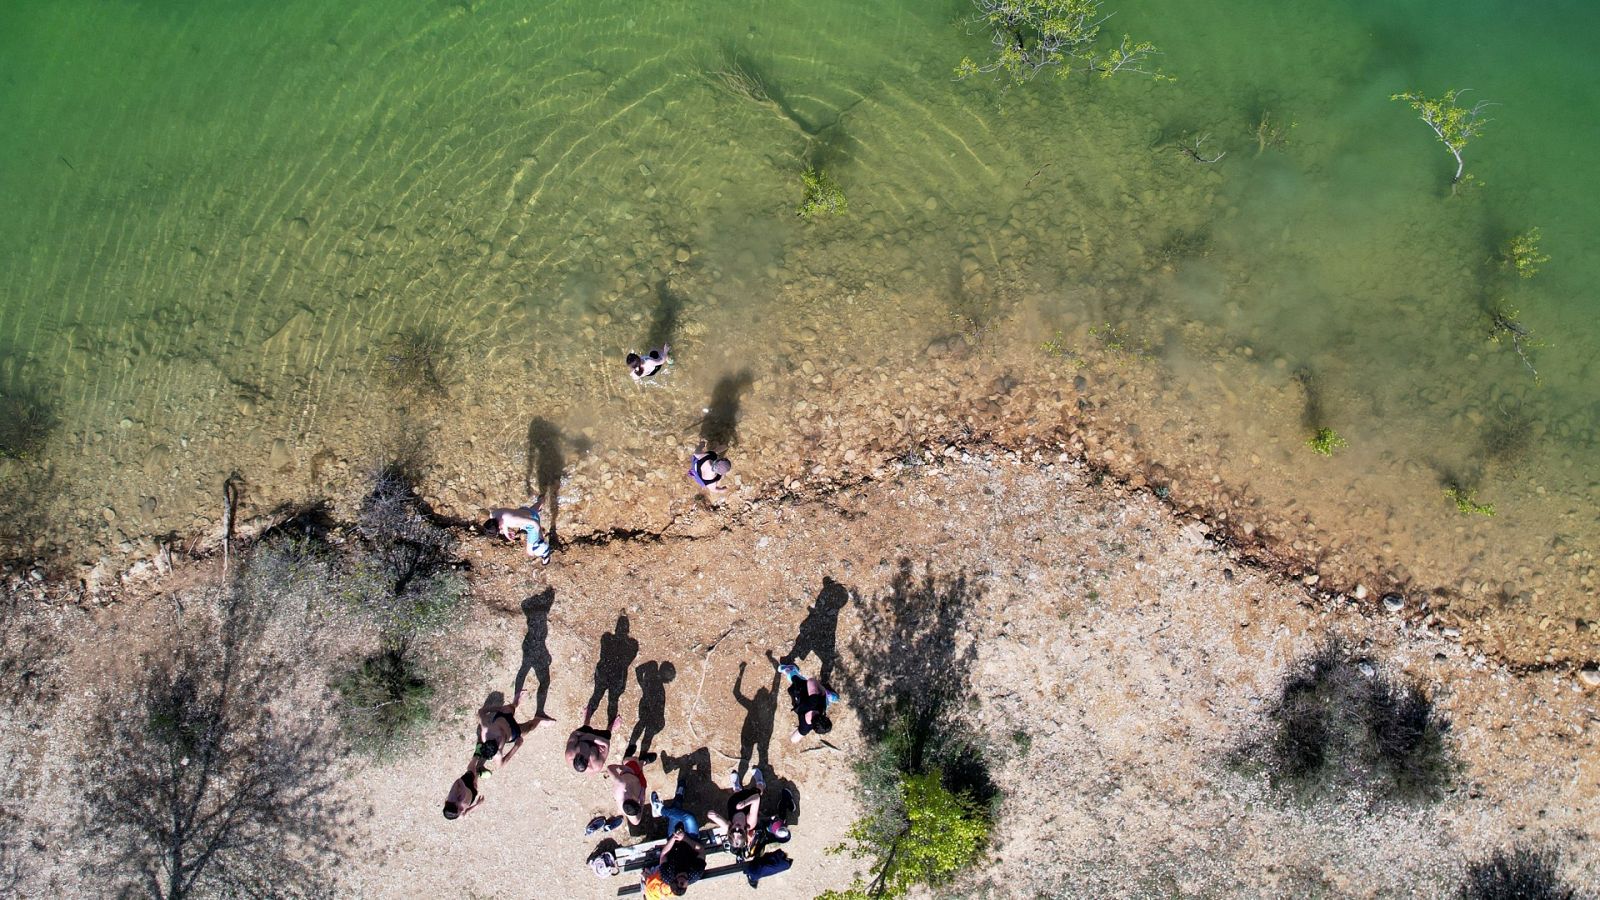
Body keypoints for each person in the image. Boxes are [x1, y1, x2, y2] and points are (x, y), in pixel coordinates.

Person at [475, 687, 555, 769]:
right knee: (530, 727)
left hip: (503, 717)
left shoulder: (486, 728)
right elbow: (501, 764)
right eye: (498, 743)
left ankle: (516, 702)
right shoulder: (497, 754)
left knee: (510, 707)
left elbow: (481, 711)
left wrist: (497, 709)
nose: (498, 738)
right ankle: (538, 719)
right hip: (513, 732)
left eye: (495, 739)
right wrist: (516, 746)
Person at [706, 766, 764, 860]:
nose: (737, 828)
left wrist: (723, 822)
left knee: (736, 794)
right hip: (749, 798)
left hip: (735, 800)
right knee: (758, 791)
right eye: (740, 831)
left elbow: (710, 814)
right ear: (744, 831)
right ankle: (760, 782)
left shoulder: (729, 826)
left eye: (733, 831)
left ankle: (737, 788)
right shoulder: (750, 822)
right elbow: (756, 798)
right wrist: (745, 803)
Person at [642, 814, 706, 898]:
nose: (680, 881)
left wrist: (673, 838)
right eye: (682, 884)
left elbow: (663, 854)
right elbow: (701, 850)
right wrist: (685, 838)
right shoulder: (695, 874)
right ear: (686, 886)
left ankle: (666, 809)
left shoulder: (667, 876)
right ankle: (662, 811)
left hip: (673, 843)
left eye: (676, 881)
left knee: (674, 816)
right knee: (689, 818)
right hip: (691, 841)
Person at [779, 662, 838, 743]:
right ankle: (827, 695)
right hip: (798, 703)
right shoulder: (805, 727)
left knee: (797, 679)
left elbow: (810, 681)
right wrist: (802, 730)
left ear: (825, 717)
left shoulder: (816, 703)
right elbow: (793, 740)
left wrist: (822, 690)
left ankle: (789, 670)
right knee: (822, 698)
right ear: (813, 727)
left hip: (801, 690)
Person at [487, 501, 553, 565]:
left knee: (530, 552)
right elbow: (502, 521)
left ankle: (545, 553)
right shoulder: (493, 515)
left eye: (499, 530)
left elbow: (534, 522)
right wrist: (506, 533)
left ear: (498, 526)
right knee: (538, 504)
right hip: (524, 510)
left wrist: (541, 538)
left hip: (532, 525)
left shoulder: (511, 520)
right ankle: (543, 499)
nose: (500, 531)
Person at [567, 705, 621, 774]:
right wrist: (594, 739)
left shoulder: (570, 754)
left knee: (585, 728)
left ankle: (587, 719)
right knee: (607, 735)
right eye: (585, 753)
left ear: (576, 755)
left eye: (580, 752)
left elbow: (574, 734)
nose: (584, 750)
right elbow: (607, 744)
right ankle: (610, 728)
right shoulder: (596, 766)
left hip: (584, 735)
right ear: (588, 761)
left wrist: (586, 737)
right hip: (596, 741)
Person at [606, 754, 650, 828]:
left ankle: (628, 760)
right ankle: (642, 763)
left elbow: (609, 768)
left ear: (632, 799)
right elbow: (636, 822)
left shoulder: (621, 785)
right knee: (640, 765)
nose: (638, 801)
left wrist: (621, 767)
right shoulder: (630, 811)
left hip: (629, 772)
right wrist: (642, 803)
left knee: (634, 759)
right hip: (640, 783)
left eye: (638, 802)